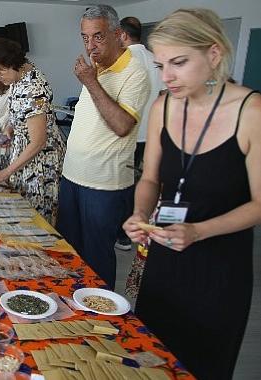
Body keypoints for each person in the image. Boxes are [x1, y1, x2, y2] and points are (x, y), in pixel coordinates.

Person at [123, 8, 261, 379]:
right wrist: (140, 213)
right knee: (153, 357)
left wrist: (199, 230)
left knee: (202, 363)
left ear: (213, 55)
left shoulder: (251, 111)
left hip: (219, 266)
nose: (166, 77)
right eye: (160, 66)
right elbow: (150, 179)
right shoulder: (163, 106)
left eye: (179, 63)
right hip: (164, 257)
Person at [55, 4, 150, 289]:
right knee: (69, 255)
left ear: (118, 34)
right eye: (85, 37)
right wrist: (92, 79)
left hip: (104, 184)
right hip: (72, 176)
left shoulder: (135, 72)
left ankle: (102, 323)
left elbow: (122, 125)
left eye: (98, 36)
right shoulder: (95, 68)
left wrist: (91, 83)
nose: (90, 45)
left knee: (96, 261)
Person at [0, 38, 65, 225]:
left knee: (35, 220)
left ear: (13, 63)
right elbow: (20, 110)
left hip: (41, 162)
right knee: (21, 214)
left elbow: (38, 142)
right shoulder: (19, 76)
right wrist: (12, 129)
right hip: (25, 155)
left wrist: (5, 173)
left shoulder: (33, 89)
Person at [114, 16, 166, 251]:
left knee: (121, 184)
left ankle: (121, 233)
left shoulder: (125, 59)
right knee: (140, 182)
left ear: (123, 35)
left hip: (127, 132)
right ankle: (133, 230)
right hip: (150, 134)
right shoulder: (155, 58)